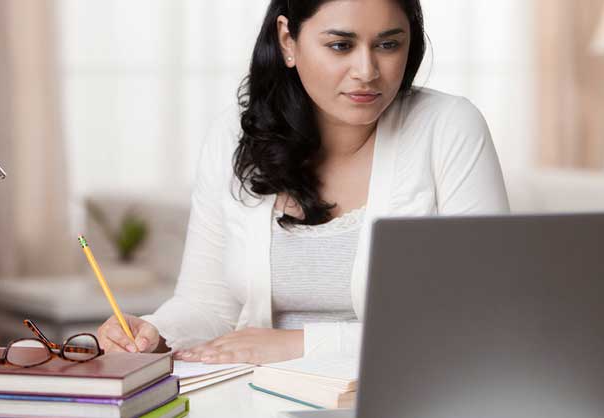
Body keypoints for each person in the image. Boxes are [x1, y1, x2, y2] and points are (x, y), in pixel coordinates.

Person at [97, 0, 510, 364]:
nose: (367, 71)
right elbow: (207, 305)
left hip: (403, 393)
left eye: (388, 44)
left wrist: (295, 344)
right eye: (340, 45)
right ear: (288, 41)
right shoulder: (235, 134)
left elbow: (480, 317)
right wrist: (152, 332)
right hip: (255, 397)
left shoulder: (449, 128)